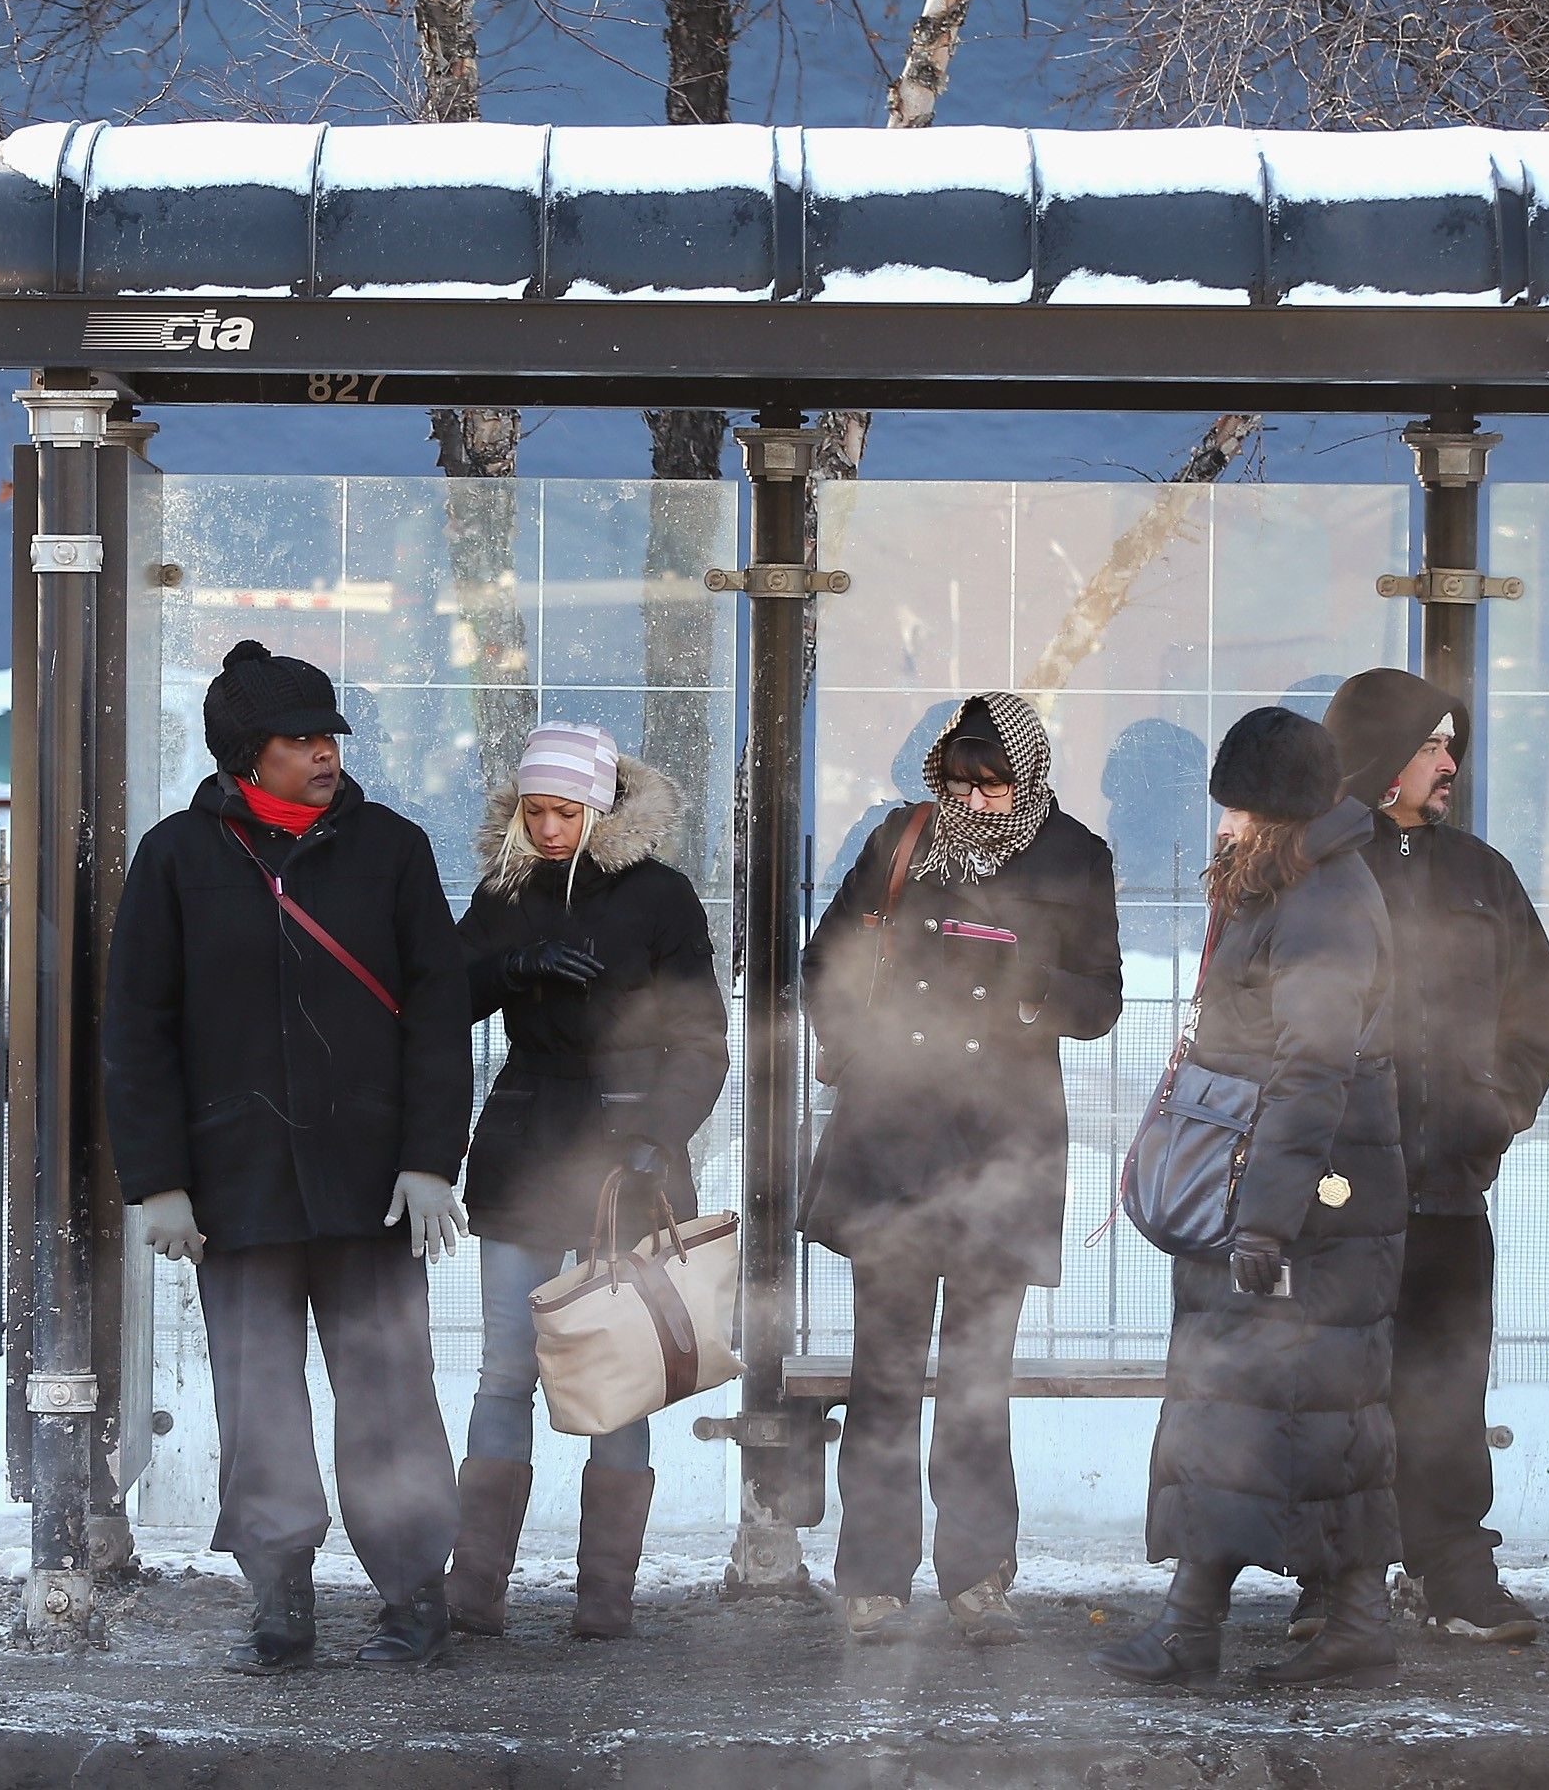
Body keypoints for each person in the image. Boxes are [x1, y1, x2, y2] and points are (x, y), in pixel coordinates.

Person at [102, 639, 473, 1674]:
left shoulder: (393, 850)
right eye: (300, 739)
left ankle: (412, 1592)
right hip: (236, 1188)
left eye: (327, 736)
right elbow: (138, 1029)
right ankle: (280, 1596)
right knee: (258, 1398)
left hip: (372, 1188)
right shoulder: (176, 858)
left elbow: (439, 1018)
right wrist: (160, 1180)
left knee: (391, 1394)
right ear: (243, 754)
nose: (323, 754)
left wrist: (430, 1157)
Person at [1092, 706, 1405, 1691]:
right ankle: (1295, 1622)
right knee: (1280, 1412)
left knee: (1279, 1414)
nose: (1220, 823)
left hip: (1296, 1205)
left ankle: (1222, 1628)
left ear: (1273, 813)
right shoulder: (1294, 887)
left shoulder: (1322, 907)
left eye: (1234, 806)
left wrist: (1264, 1219)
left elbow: (1314, 1071)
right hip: (1286, 1194)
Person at [801, 691, 1122, 1646]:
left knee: (981, 1373)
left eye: (995, 784)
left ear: (1028, 778)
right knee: (886, 1369)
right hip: (894, 1137)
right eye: (960, 782)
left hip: (1004, 1145)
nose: (976, 803)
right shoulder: (901, 840)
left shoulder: (1075, 855)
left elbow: (1102, 998)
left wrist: (1028, 995)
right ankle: (873, 1580)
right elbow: (825, 962)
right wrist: (873, 1044)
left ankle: (978, 1574)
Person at [443, 724, 729, 1640]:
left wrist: (655, 1136)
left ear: (602, 807)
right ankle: (474, 1586)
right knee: (504, 1368)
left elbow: (702, 1038)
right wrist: (510, 963)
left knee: (622, 1371)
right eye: (535, 811)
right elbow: (442, 994)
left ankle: (606, 1593)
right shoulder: (508, 886)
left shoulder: (661, 896)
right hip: (529, 1138)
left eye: (566, 811)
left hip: (630, 1147)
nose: (550, 827)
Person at [1317, 669, 1549, 1645]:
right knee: (1333, 1387)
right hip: (1333, 1193)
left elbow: (1533, 1011)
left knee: (1447, 1384)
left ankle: (1453, 1571)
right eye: (1431, 746)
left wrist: (1491, 1115)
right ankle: (1335, 1580)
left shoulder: (1479, 873)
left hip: (1451, 1187)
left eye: (1452, 744)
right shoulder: (1314, 868)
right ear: (1379, 758)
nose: (1450, 763)